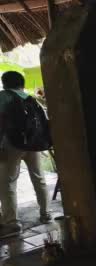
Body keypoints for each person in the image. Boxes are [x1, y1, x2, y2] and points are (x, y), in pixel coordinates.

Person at [0, 71, 51, 238]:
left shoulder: (3, 96)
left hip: (11, 144)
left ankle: (12, 224)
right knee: (38, 177)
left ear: (5, 83)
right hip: (32, 143)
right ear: (21, 83)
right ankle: (46, 213)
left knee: (7, 183)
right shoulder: (30, 98)